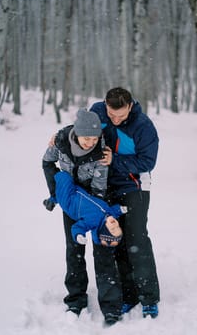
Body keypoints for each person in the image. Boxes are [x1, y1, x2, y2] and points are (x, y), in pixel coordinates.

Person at [42, 108, 123, 325]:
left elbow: (99, 189)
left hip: (95, 205)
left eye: (95, 138)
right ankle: (75, 300)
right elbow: (46, 162)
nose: (91, 142)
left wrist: (94, 213)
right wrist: (55, 192)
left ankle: (111, 306)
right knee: (74, 251)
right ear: (76, 134)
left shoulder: (101, 152)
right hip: (70, 205)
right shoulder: (60, 143)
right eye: (87, 138)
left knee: (103, 250)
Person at [90, 87, 160, 318]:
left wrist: (115, 161)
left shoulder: (143, 126)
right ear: (105, 105)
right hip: (105, 185)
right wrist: (59, 138)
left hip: (135, 186)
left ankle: (149, 297)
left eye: (121, 115)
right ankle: (128, 295)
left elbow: (147, 162)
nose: (116, 120)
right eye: (112, 115)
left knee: (136, 238)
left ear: (130, 106)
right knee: (115, 239)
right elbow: (81, 134)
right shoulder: (97, 112)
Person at [54, 170, 125, 247]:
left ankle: (52, 174)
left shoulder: (93, 222)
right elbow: (115, 211)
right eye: (118, 227)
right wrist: (121, 209)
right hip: (78, 193)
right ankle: (53, 198)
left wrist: (79, 235)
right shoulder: (110, 214)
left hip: (69, 201)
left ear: (104, 230)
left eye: (113, 229)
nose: (115, 225)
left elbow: (78, 227)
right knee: (72, 182)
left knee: (64, 176)